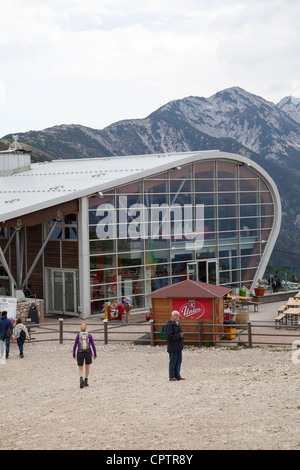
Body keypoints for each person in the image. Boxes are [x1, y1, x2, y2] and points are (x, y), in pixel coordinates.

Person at [73, 323, 97, 388]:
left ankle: (81, 378)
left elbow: (75, 345)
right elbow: (93, 345)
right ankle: (86, 381)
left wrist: (74, 353)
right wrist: (95, 354)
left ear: (80, 328)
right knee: (87, 367)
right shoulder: (89, 335)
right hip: (88, 352)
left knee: (80, 367)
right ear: (86, 328)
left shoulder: (78, 336)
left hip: (80, 352)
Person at [164, 310, 184, 381]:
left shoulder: (178, 324)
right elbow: (169, 336)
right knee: (173, 361)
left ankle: (178, 375)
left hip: (178, 346)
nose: (177, 317)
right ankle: (172, 376)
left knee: (179, 361)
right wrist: (179, 336)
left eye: (178, 315)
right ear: (172, 316)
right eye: (176, 315)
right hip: (173, 346)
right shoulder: (169, 325)